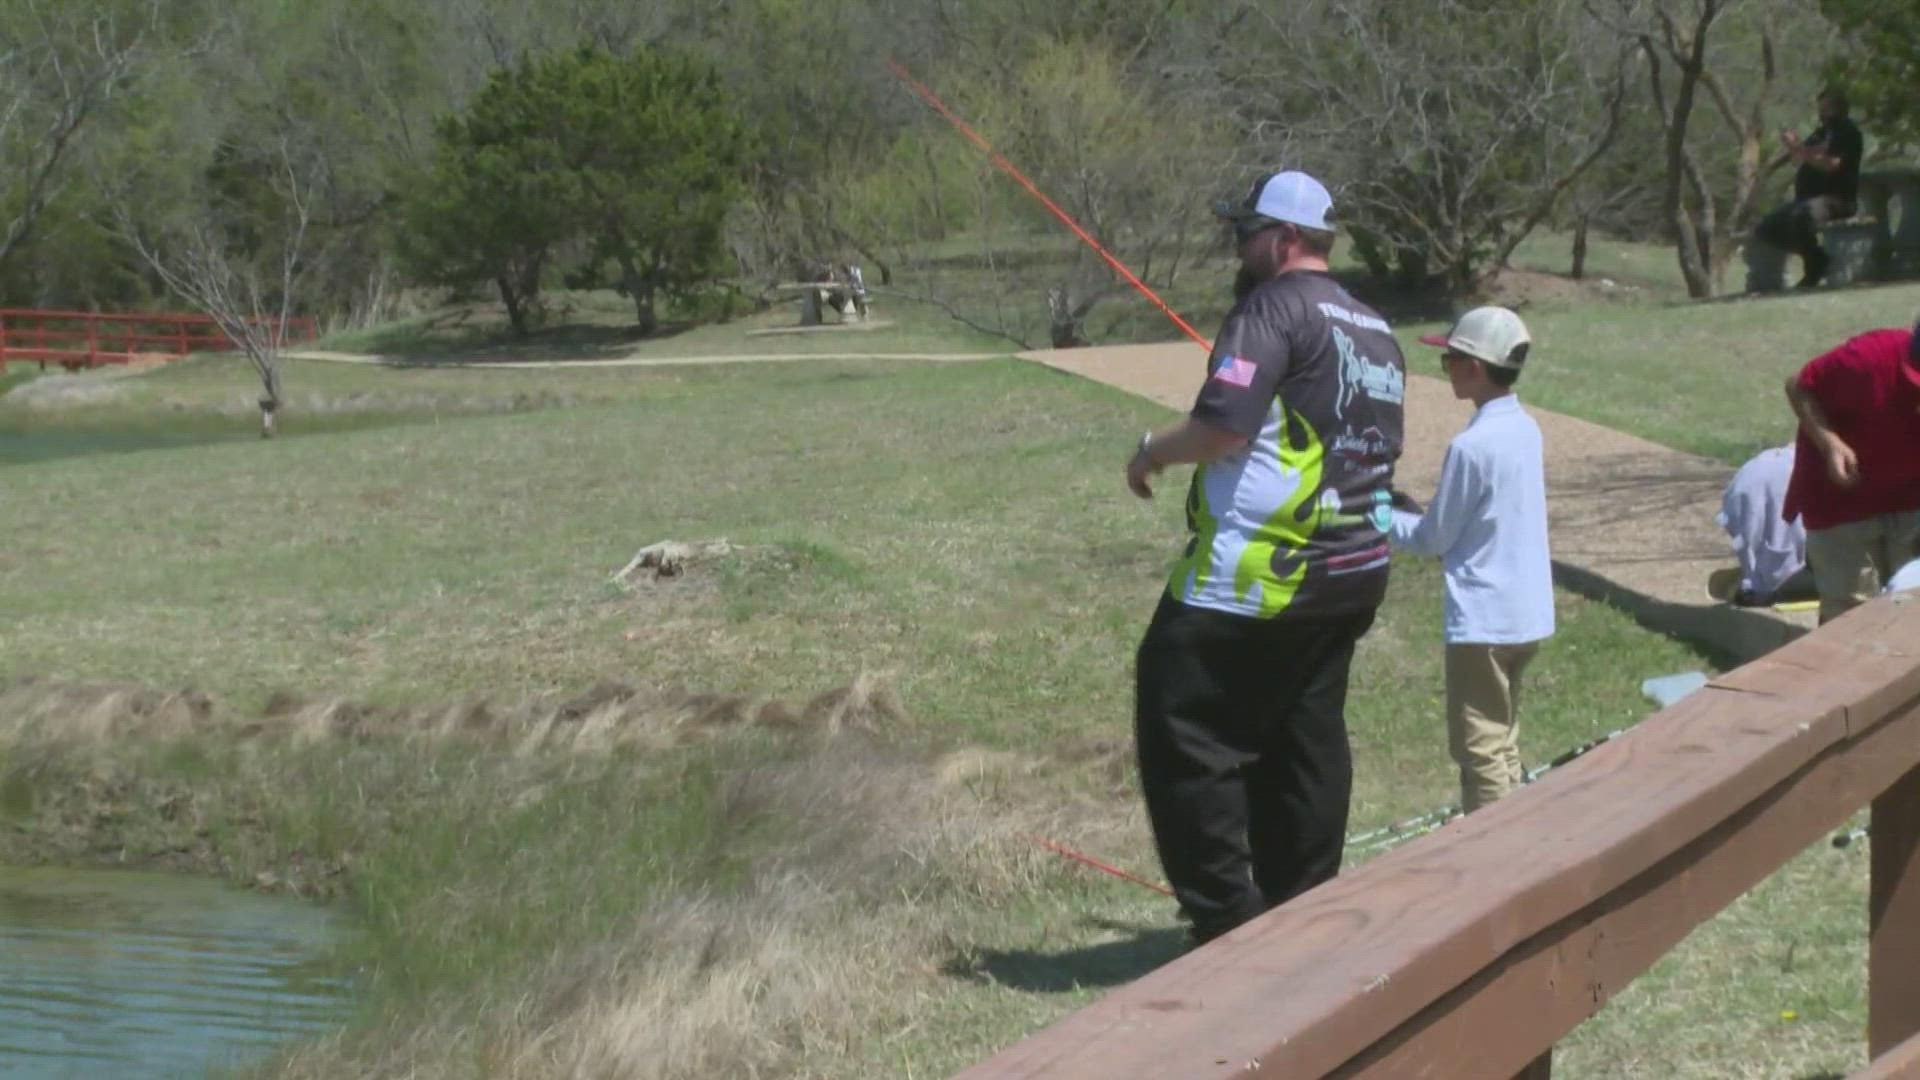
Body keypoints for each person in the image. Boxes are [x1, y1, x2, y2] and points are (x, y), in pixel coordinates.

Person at [1125, 169, 1405, 946]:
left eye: (1246, 231)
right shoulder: (1376, 327)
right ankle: (1303, 910)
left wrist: (1149, 453)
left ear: (1283, 239)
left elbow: (1221, 429)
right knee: (1303, 733)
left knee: (1183, 718)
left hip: (1262, 576)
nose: (1236, 244)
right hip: (1353, 574)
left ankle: (1227, 925)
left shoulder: (1269, 308)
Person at [1387, 306, 1554, 814]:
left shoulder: (1470, 445)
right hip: (1526, 615)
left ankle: (1497, 858)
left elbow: (1434, 540)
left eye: (1450, 360)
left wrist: (1374, 515)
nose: (1447, 370)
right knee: (1503, 739)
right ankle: (1515, 832)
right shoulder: (1526, 429)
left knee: (1477, 747)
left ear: (1474, 368)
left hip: (1482, 623)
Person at [1782, 319, 1920, 624]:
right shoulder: (1871, 356)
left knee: (1912, 608)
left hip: (1911, 498)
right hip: (1842, 499)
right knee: (1849, 615)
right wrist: (1830, 442)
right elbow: (1799, 384)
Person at [1752, 89, 1864, 289]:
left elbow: (1831, 164)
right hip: (1807, 200)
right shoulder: (1822, 133)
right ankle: (1816, 257)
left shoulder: (1847, 132)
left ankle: (1814, 268)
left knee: (1801, 217)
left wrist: (1799, 148)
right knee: (1766, 227)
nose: (1822, 114)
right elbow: (1800, 159)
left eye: (1827, 109)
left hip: (1837, 199)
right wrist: (1794, 147)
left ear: (1840, 109)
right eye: (1820, 109)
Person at [1714, 443, 1812, 606]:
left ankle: (1760, 581)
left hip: (1751, 478)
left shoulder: (1763, 466)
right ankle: (1766, 587)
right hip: (1787, 476)